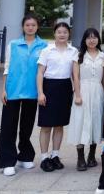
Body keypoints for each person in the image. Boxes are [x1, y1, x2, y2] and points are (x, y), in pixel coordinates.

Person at [0, 13, 48, 176]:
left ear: (37, 27)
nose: (30, 28)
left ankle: (25, 155)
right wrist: (3, 89)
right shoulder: (13, 44)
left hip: (32, 91)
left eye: (33, 25)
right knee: (8, 127)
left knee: (27, 126)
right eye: (27, 25)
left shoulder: (44, 45)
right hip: (13, 90)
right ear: (23, 27)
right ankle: (7, 161)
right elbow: (7, 67)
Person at [36, 22, 78, 172]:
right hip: (49, 87)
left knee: (59, 125)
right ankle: (44, 158)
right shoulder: (47, 50)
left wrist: (77, 92)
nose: (62, 35)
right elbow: (40, 73)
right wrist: (40, 93)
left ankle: (55, 155)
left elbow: (75, 74)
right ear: (54, 34)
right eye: (59, 32)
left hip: (65, 88)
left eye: (65, 32)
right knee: (46, 125)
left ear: (68, 34)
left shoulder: (73, 51)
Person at [69, 28, 104, 171]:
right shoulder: (78, 56)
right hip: (82, 91)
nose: (92, 40)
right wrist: (77, 95)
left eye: (94, 37)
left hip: (97, 92)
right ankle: (80, 158)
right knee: (80, 122)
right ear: (84, 40)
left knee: (95, 121)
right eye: (89, 37)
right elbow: (75, 77)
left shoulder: (103, 56)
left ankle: (91, 155)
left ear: (98, 39)